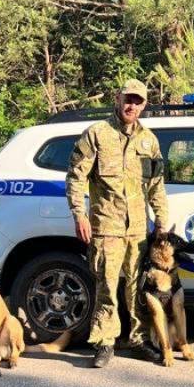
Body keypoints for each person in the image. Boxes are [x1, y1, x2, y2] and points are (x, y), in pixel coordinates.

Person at [66, 78, 170, 368]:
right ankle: (105, 341)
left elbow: (156, 185)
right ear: (117, 98)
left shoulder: (149, 140)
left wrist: (161, 220)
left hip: (138, 228)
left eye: (138, 101)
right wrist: (79, 214)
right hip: (106, 226)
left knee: (137, 288)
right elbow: (76, 176)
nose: (132, 105)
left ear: (144, 105)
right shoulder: (97, 134)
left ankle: (137, 339)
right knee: (106, 286)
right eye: (128, 99)